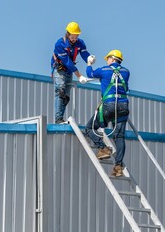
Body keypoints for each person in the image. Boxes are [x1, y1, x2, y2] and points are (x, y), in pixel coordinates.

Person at [81, 49, 130, 177]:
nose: (107, 61)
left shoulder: (104, 70)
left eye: (108, 58)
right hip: (123, 105)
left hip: (109, 105)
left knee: (90, 128)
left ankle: (103, 148)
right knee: (119, 136)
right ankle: (118, 166)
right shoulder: (126, 72)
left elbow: (90, 73)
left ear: (113, 59)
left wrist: (89, 63)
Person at [51, 21, 93, 124]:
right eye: (73, 36)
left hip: (69, 70)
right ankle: (58, 119)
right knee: (60, 91)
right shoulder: (60, 44)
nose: (75, 39)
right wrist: (79, 76)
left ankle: (60, 117)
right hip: (60, 69)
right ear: (68, 34)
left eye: (76, 36)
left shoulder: (80, 43)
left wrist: (89, 58)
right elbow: (67, 62)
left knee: (66, 96)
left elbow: (84, 53)